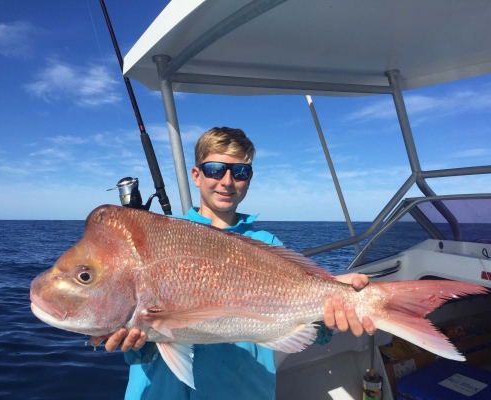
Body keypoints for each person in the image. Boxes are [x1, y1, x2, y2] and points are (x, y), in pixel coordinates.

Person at [100, 127, 375, 399]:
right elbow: (139, 336)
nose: (227, 181)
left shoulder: (268, 244)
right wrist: (134, 341)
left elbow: (310, 324)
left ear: (249, 179)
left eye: (240, 172)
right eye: (215, 169)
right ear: (196, 175)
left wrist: (336, 307)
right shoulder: (161, 237)